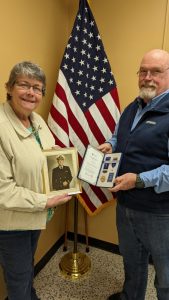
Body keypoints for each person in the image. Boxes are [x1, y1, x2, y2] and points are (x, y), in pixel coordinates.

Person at [98, 49, 169, 300]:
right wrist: (110, 144)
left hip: (160, 213)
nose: (147, 77)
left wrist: (139, 179)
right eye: (143, 71)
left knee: (166, 274)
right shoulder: (132, 106)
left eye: (156, 72)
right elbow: (120, 137)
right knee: (132, 261)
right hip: (126, 204)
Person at [0, 61, 71, 300]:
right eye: (24, 85)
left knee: (27, 265)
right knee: (18, 275)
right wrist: (45, 201)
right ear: (9, 87)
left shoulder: (37, 120)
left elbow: (46, 155)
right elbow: (3, 190)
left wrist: (63, 160)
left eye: (38, 88)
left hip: (35, 215)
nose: (31, 92)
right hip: (11, 223)